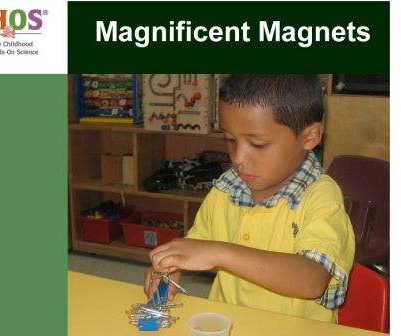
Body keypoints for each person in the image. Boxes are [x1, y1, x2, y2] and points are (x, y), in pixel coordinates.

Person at [144, 74, 355, 323]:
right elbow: (197, 245)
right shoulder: (226, 189)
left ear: (310, 137)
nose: (238, 158)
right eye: (231, 140)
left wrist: (219, 253)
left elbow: (312, 280)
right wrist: (173, 266)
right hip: (228, 324)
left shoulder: (321, 198)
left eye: (257, 144)